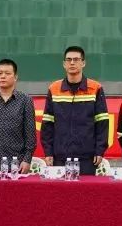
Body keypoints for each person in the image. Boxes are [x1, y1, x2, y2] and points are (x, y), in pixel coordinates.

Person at [41, 46, 109, 176]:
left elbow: (102, 123)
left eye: (76, 59)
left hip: (87, 158)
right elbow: (47, 124)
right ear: (64, 64)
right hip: (59, 156)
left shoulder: (95, 88)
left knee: (86, 189)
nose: (72, 63)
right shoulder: (54, 88)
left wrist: (99, 150)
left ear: (83, 63)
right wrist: (48, 152)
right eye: (69, 60)